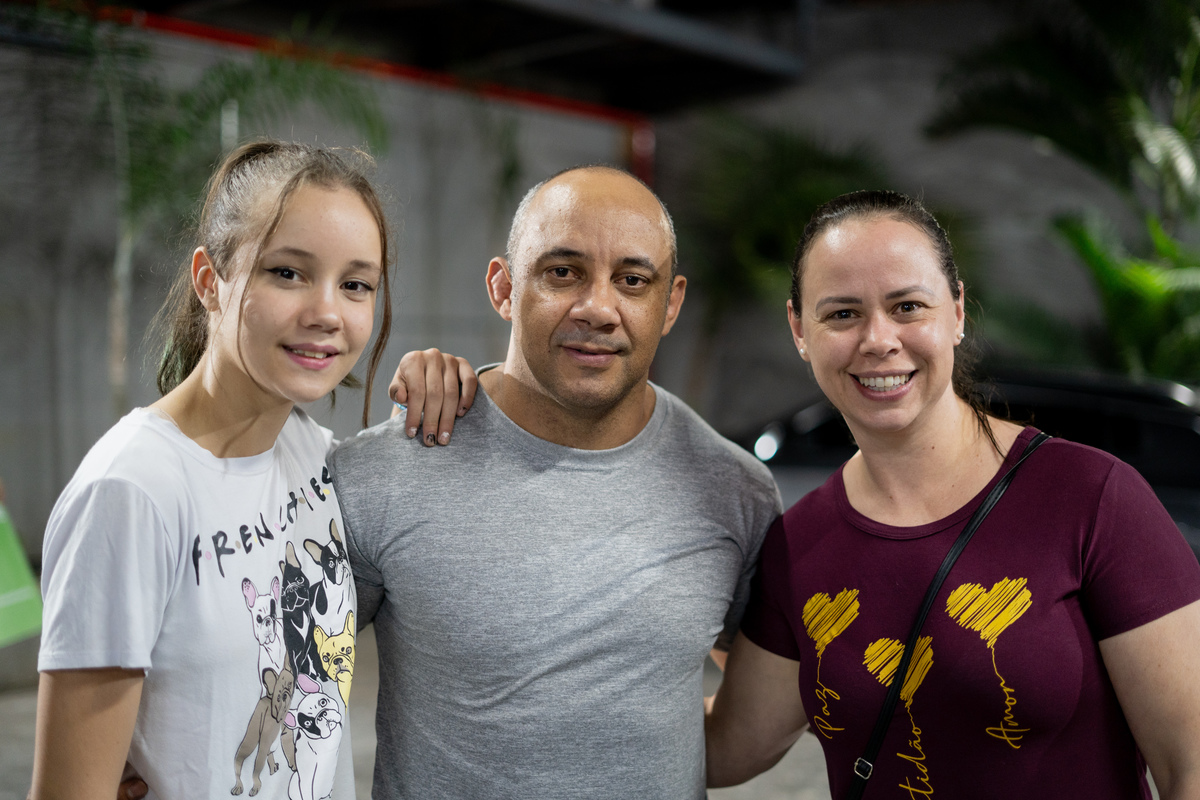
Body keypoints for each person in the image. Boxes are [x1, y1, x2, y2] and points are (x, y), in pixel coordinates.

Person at [704, 190, 1200, 798]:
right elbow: (728, 746)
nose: (878, 339)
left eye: (907, 306)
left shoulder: (1093, 498)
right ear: (798, 329)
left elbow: (1190, 769)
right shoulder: (798, 544)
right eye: (841, 314)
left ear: (957, 312)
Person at [328, 165, 783, 799]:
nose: (598, 308)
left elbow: (757, 701)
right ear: (504, 286)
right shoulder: (384, 474)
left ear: (670, 303)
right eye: (562, 272)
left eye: (632, 280)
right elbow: (282, 692)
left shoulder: (734, 491)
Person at [30, 140, 461, 800]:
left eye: (355, 284)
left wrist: (465, 383)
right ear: (210, 280)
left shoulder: (314, 456)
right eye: (287, 272)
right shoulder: (132, 491)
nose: (326, 312)